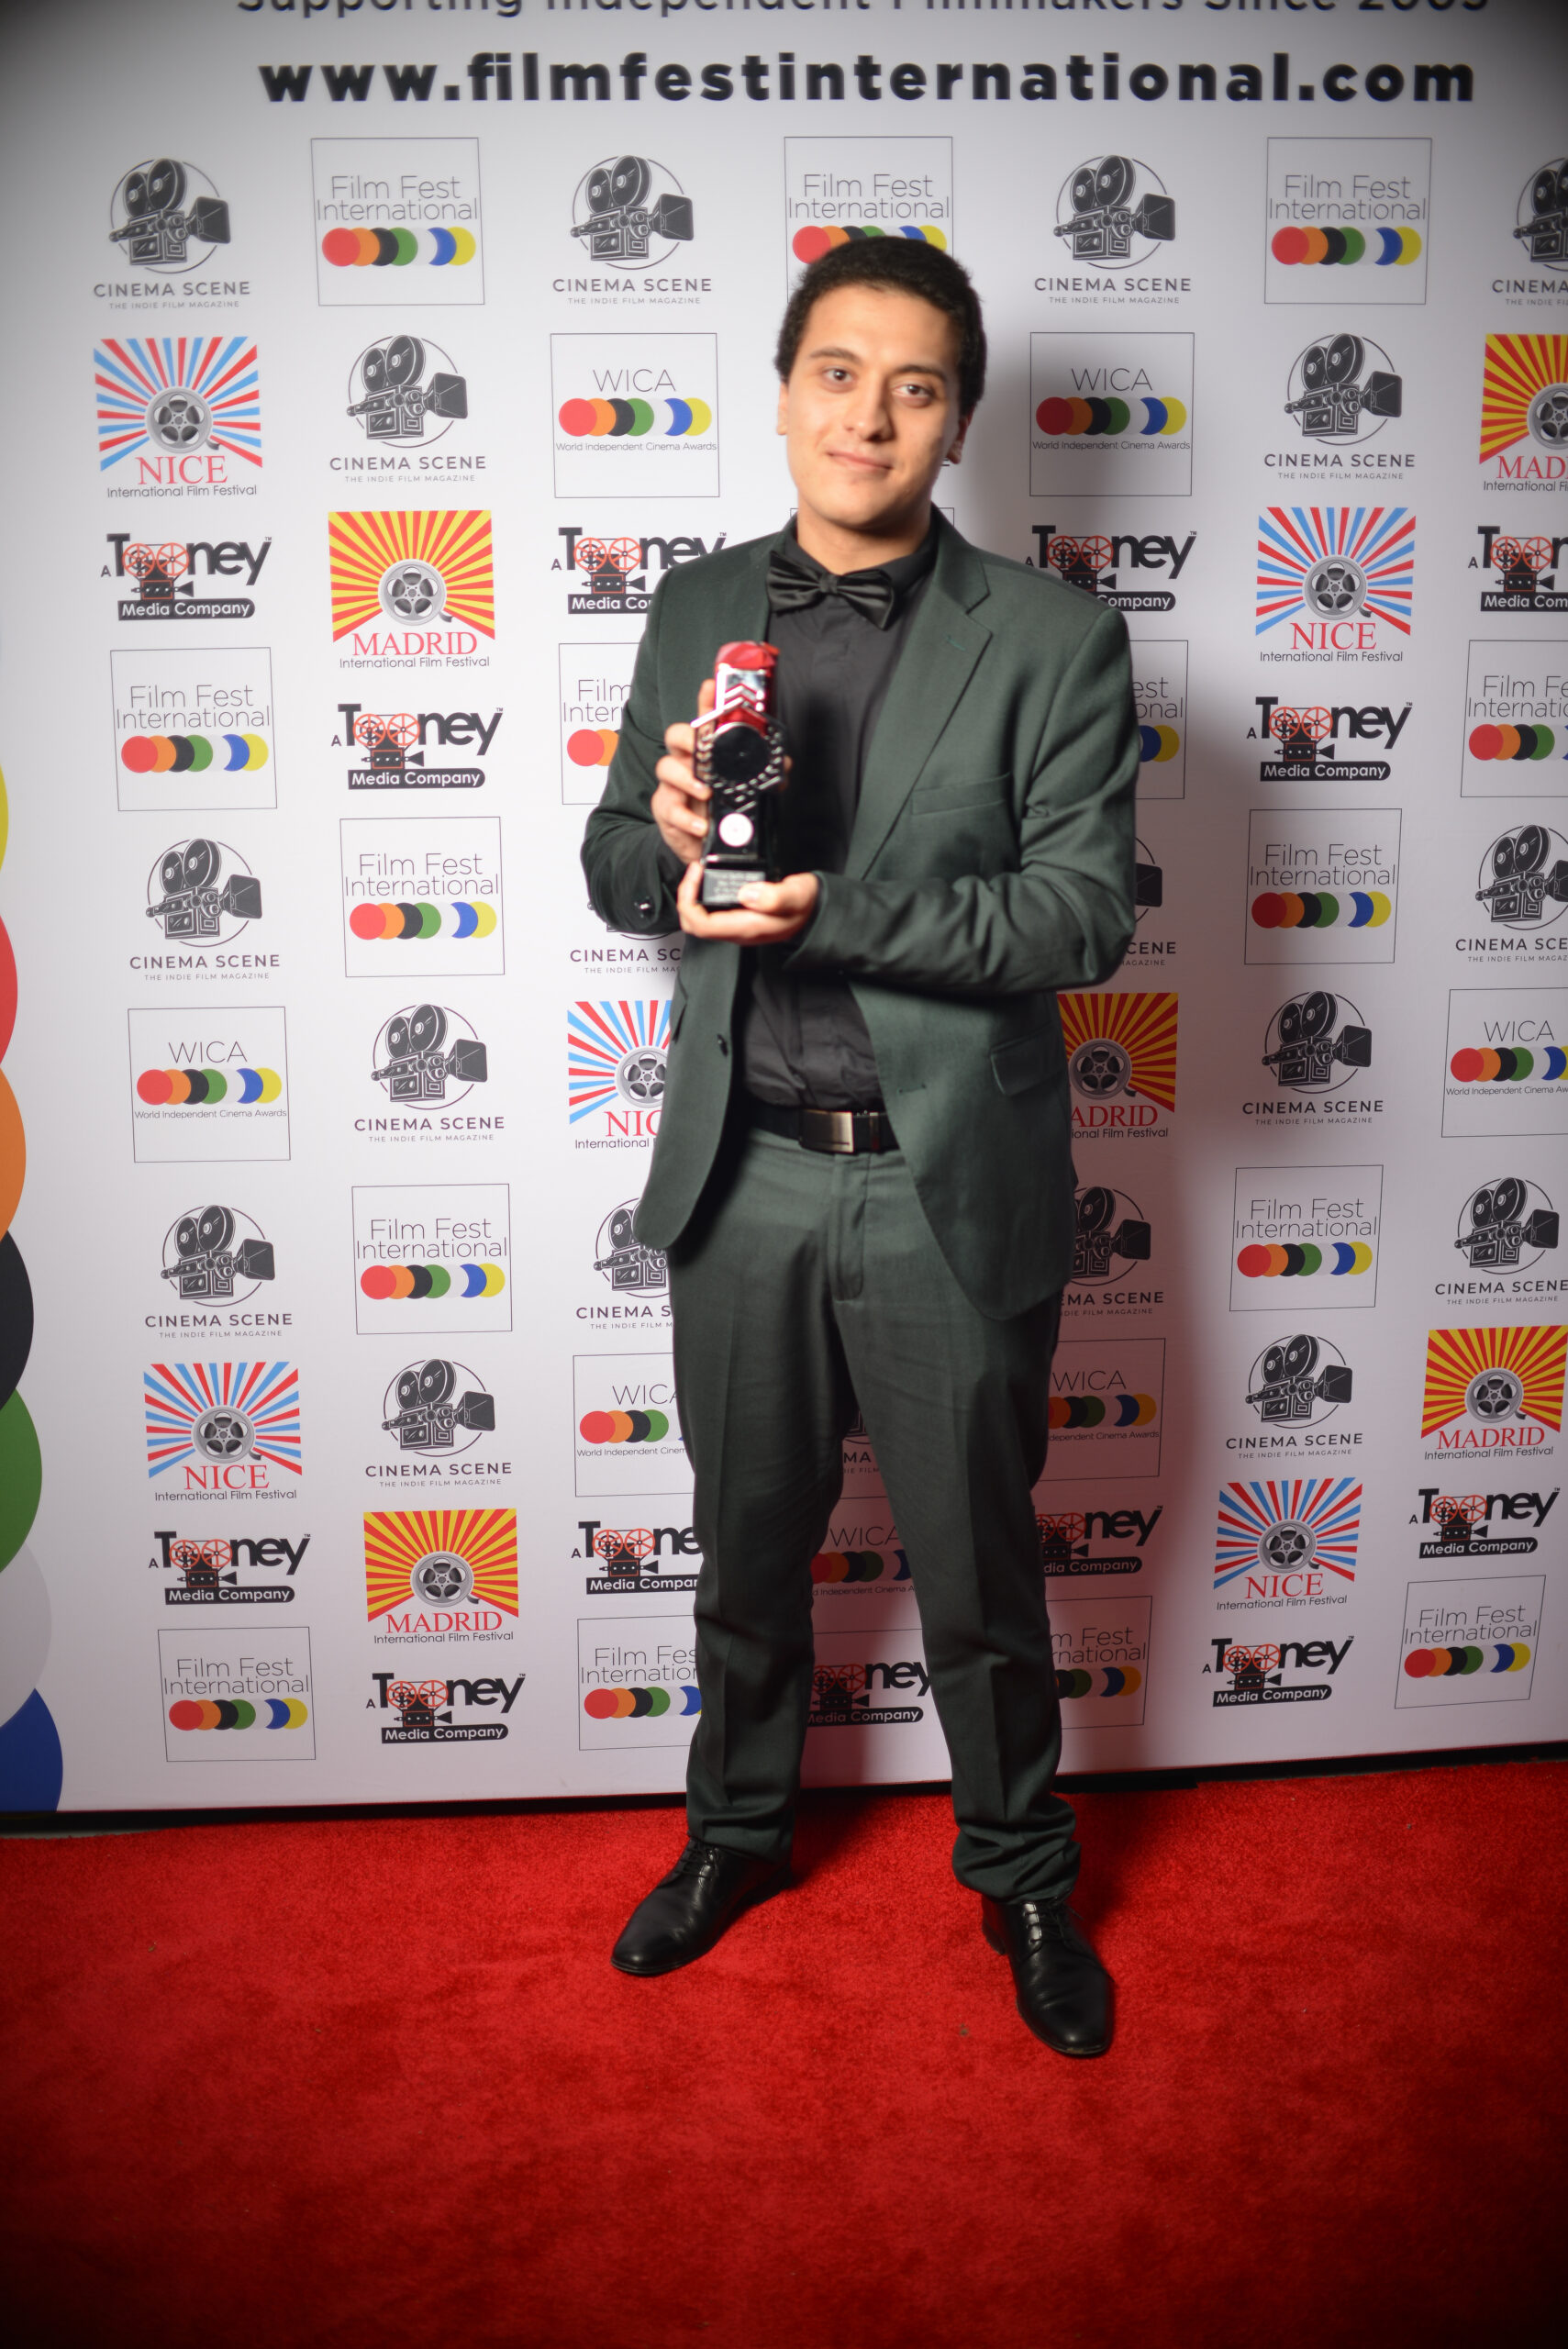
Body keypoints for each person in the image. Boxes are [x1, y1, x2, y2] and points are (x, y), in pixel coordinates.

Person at [581, 239, 1138, 2057]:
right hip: (741, 1171)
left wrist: (836, 906)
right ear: (783, 392)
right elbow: (610, 854)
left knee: (978, 1576)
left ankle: (1025, 1875)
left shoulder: (1053, 638)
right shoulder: (696, 604)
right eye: (837, 372)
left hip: (940, 1174)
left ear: (956, 421)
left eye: (913, 386)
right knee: (745, 1556)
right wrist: (670, 854)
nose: (869, 416)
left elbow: (1079, 915)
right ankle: (733, 1834)